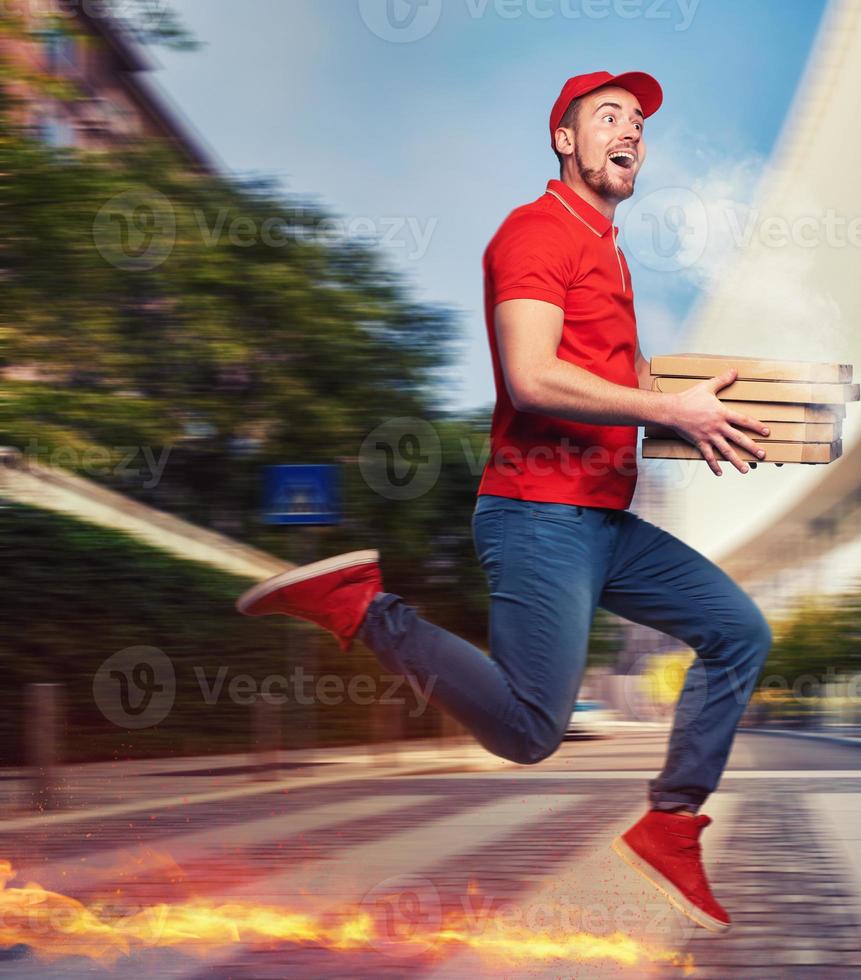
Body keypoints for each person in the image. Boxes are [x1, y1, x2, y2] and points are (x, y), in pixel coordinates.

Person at [236, 71, 773, 935]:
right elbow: (531, 375)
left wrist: (687, 411)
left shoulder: (610, 248)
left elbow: (613, 376)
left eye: (637, 121)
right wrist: (667, 407)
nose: (629, 130)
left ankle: (670, 824)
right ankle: (364, 608)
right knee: (530, 731)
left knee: (739, 630)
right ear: (566, 139)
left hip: (605, 522)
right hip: (538, 513)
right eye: (608, 116)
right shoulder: (535, 233)